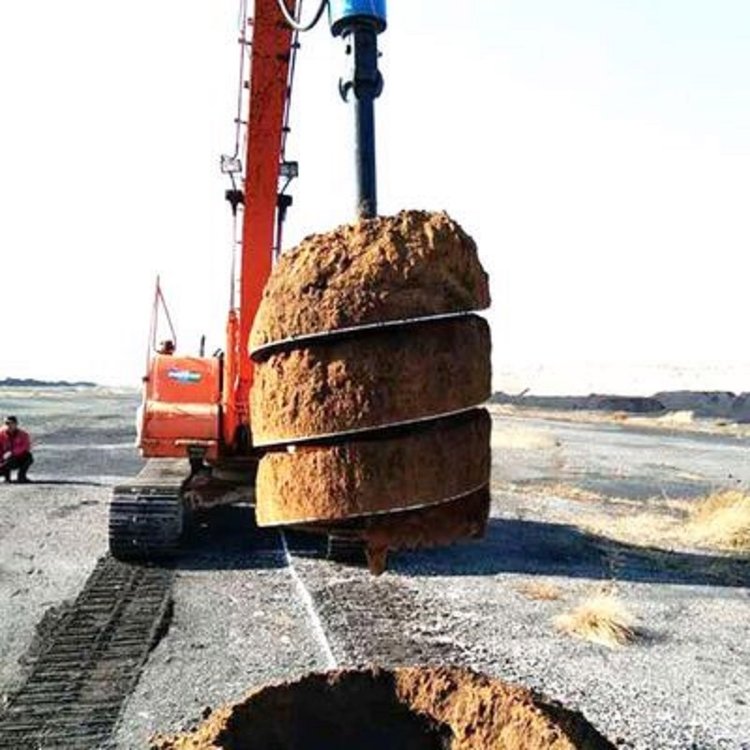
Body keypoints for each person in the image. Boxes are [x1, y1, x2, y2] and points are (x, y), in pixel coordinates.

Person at [0, 416, 34, 483]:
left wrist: (12, 452)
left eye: (11, 423)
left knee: (29, 457)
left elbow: (26, 447)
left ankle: (21, 477)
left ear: (16, 424)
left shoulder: (23, 434)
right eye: (6, 423)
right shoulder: (1, 434)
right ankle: (7, 478)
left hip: (18, 459)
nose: (8, 425)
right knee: (6, 461)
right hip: (5, 460)